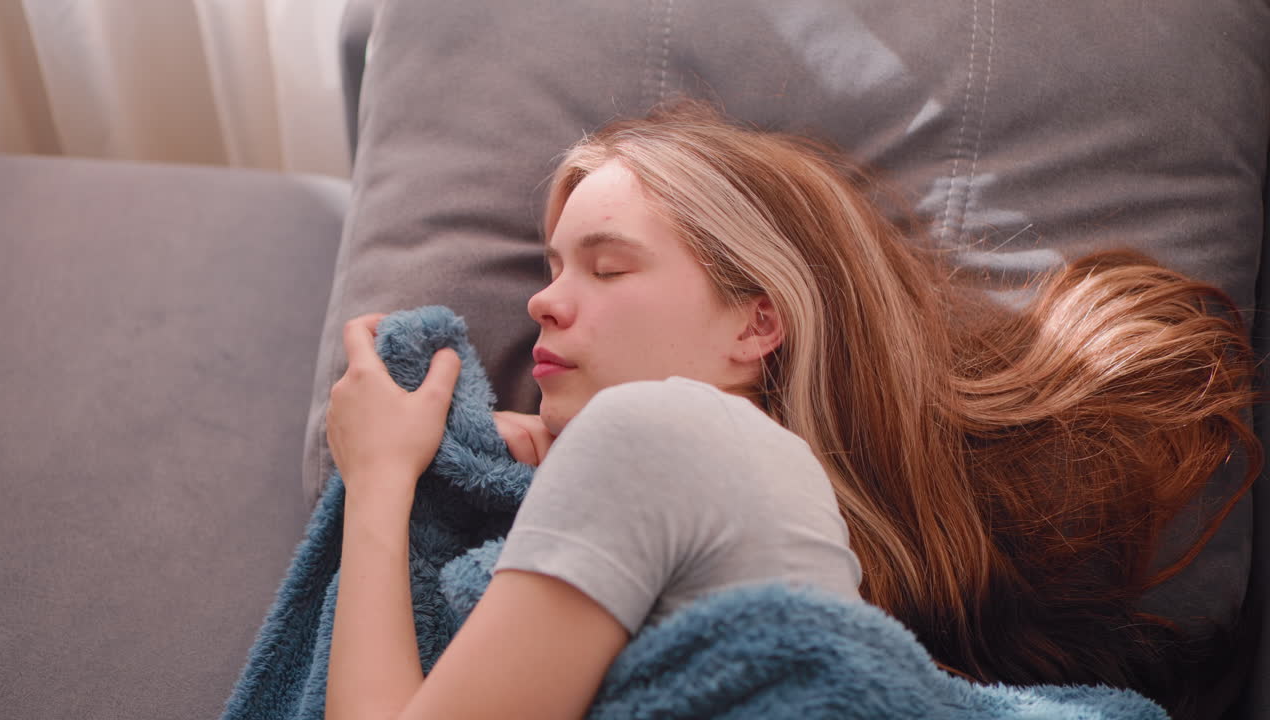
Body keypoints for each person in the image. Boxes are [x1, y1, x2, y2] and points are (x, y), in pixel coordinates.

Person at [321, 98, 1260, 720]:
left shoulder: (654, 433)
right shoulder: (753, 484)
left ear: (757, 323)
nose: (543, 301)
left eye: (607, 268)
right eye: (553, 267)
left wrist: (378, 480)